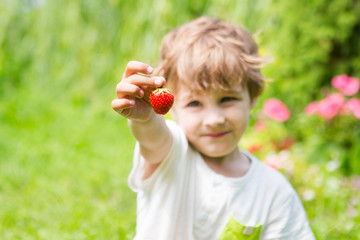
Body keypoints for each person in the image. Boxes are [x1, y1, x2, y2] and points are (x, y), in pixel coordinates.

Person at [112, 16, 315, 240]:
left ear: (253, 97)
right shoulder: (173, 153)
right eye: (194, 103)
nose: (214, 119)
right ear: (173, 107)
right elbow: (152, 139)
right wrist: (145, 119)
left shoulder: (273, 191)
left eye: (227, 99)